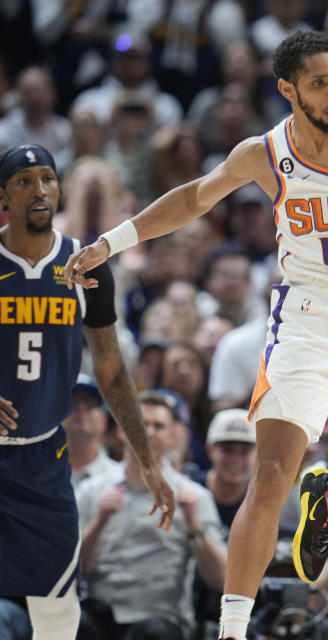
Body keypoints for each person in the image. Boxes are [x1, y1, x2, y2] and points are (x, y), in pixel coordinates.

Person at [62, 31, 328, 640]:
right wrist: (109, 243)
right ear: (287, 90)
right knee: (271, 473)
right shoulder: (265, 152)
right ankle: (232, 630)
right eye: (318, 82)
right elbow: (192, 200)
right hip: (306, 317)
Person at [0, 143, 174, 640]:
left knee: (57, 612)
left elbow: (113, 373)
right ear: (3, 197)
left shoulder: (85, 267)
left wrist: (146, 458)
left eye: (48, 179)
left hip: (43, 460)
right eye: (24, 180)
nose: (39, 190)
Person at [76, 391, 227, 640]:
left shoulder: (193, 497)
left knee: (154, 634)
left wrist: (194, 525)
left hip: (159, 618)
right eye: (141, 424)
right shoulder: (92, 491)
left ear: (173, 436)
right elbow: (73, 572)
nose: (149, 432)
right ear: (121, 430)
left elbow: (221, 579)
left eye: (158, 426)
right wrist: (99, 522)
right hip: (98, 612)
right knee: (70, 623)